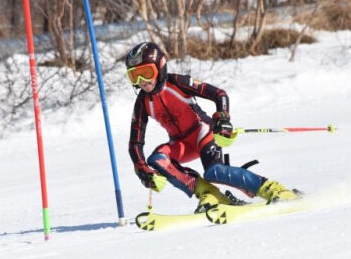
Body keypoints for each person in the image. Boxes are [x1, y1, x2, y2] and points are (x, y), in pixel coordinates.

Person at [125, 41, 299, 213]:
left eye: (146, 73)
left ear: (161, 67)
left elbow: (219, 94)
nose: (142, 81)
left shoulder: (178, 82)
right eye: (134, 76)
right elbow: (135, 143)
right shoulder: (142, 102)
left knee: (214, 172)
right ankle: (210, 195)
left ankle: (274, 189)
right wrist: (142, 169)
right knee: (157, 159)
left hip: (202, 133)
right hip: (181, 145)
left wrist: (222, 117)